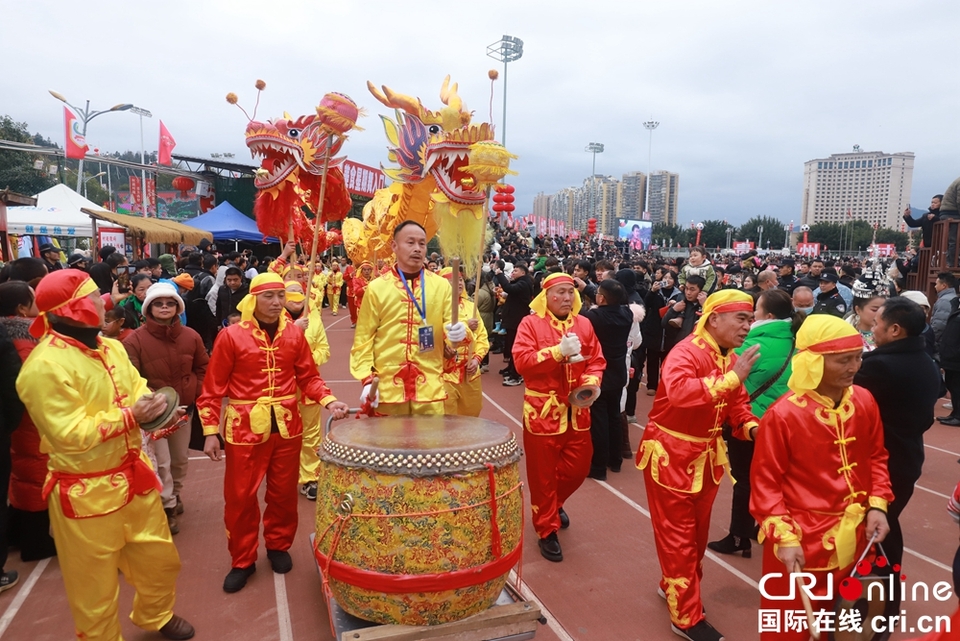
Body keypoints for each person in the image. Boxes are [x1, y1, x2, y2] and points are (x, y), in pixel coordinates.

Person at [15, 270, 194, 640]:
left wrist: (153, 402)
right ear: (77, 307)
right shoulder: (43, 367)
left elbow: (136, 387)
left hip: (136, 479)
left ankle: (156, 614)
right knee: (92, 589)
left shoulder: (110, 346)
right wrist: (131, 416)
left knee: (160, 562)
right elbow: (68, 435)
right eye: (96, 296)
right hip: (85, 495)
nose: (105, 301)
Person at [197, 273, 349, 593]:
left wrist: (329, 400)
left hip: (287, 426)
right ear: (253, 299)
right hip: (244, 430)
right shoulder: (231, 337)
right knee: (240, 498)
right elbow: (212, 389)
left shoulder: (294, 335)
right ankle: (243, 559)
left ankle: (278, 545)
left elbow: (309, 377)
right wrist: (210, 430)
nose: (277, 302)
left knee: (282, 494)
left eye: (281, 296)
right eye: (269, 296)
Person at [751, 314, 892, 641]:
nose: (854, 367)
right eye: (843, 360)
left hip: (855, 535)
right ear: (814, 362)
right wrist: (785, 538)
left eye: (858, 357)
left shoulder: (865, 400)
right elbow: (765, 485)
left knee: (842, 624)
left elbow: (876, 457)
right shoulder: (784, 414)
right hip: (800, 542)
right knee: (790, 629)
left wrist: (877, 506)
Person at [638, 289, 760, 641]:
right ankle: (686, 617)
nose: (747, 326)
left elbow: (738, 403)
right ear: (714, 318)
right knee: (679, 540)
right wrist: (733, 377)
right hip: (671, 456)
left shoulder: (730, 356)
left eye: (750, 319)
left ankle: (673, 586)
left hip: (706, 459)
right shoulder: (686, 351)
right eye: (742, 319)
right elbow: (678, 392)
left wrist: (752, 427)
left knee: (695, 536)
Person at [512, 273, 605, 563]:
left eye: (571, 292)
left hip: (578, 412)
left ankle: (554, 503)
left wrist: (591, 383)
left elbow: (597, 360)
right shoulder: (530, 324)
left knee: (578, 469)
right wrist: (557, 352)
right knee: (541, 478)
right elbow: (522, 364)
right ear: (546, 296)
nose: (567, 298)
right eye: (560, 293)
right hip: (543, 414)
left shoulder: (585, 324)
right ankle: (546, 529)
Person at [853, 296, 941, 603]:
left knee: (876, 528)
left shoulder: (880, 367)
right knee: (886, 524)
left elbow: (852, 406)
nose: (873, 327)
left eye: (877, 323)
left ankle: (881, 602)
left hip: (882, 463)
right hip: (909, 457)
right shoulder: (927, 363)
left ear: (894, 329)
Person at [709, 289, 799, 560]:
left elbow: (731, 383)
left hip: (752, 420)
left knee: (744, 479)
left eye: (754, 312)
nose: (749, 320)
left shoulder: (751, 344)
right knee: (775, 477)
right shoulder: (796, 341)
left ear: (767, 315)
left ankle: (739, 536)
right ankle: (769, 526)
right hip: (785, 422)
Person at [350, 221, 466, 416]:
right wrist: (367, 380)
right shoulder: (377, 288)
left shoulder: (441, 286)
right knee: (388, 446)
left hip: (429, 389)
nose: (417, 249)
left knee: (431, 445)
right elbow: (363, 339)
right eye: (410, 242)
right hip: (387, 390)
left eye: (422, 243)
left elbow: (454, 324)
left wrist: (458, 334)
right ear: (394, 246)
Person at [123, 283, 209, 535]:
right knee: (161, 462)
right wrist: (156, 405)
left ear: (177, 308)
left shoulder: (191, 336)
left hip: (184, 410)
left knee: (180, 460)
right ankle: (167, 506)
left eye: (169, 303)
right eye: (158, 303)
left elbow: (204, 367)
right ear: (148, 307)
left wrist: (194, 391)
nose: (164, 307)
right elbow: (131, 378)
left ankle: (176, 494)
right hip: (155, 415)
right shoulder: (134, 340)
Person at [0, 281, 57, 564]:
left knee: (23, 474)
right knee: (35, 475)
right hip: (29, 417)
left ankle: (17, 535)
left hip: (19, 419)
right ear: (22, 308)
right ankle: (35, 544)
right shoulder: (24, 339)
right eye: (35, 298)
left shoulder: (12, 332)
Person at [581, 279, 634, 480]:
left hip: (600, 372)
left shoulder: (594, 316)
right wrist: (587, 288)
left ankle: (598, 467)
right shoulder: (627, 314)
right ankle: (616, 460)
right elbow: (609, 297)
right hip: (618, 373)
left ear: (601, 298)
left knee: (599, 421)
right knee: (614, 417)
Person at [440, 268, 489, 416]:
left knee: (472, 414)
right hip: (446, 374)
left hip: (470, 373)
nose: (458, 283)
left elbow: (482, 337)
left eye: (460, 279)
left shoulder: (471, 306)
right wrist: (466, 326)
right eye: (452, 280)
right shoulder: (437, 307)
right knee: (447, 418)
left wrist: (476, 359)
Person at [494, 262, 535, 387]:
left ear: (523, 272)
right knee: (510, 344)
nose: (513, 273)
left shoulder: (523, 283)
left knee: (515, 346)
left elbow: (509, 288)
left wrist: (500, 274)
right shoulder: (521, 282)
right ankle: (511, 368)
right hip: (513, 319)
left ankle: (516, 374)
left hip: (516, 320)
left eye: (515, 271)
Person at [643, 269, 681, 396]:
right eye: (665, 277)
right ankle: (652, 385)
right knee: (652, 360)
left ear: (674, 281)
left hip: (670, 333)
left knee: (668, 361)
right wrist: (652, 291)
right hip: (654, 330)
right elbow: (645, 304)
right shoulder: (656, 292)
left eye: (671, 278)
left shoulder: (679, 295)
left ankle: (665, 385)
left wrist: (675, 305)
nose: (667, 280)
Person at [662, 274, 706, 354]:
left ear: (701, 291)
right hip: (678, 348)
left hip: (698, 350)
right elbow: (664, 324)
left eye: (692, 289)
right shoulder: (680, 302)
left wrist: (705, 306)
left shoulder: (706, 306)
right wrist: (673, 310)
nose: (688, 293)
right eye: (686, 288)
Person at [931, 272, 957, 351]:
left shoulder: (944, 301)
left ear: (943, 286)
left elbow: (940, 324)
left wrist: (931, 339)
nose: (935, 286)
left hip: (941, 343)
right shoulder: (954, 297)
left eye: (936, 284)